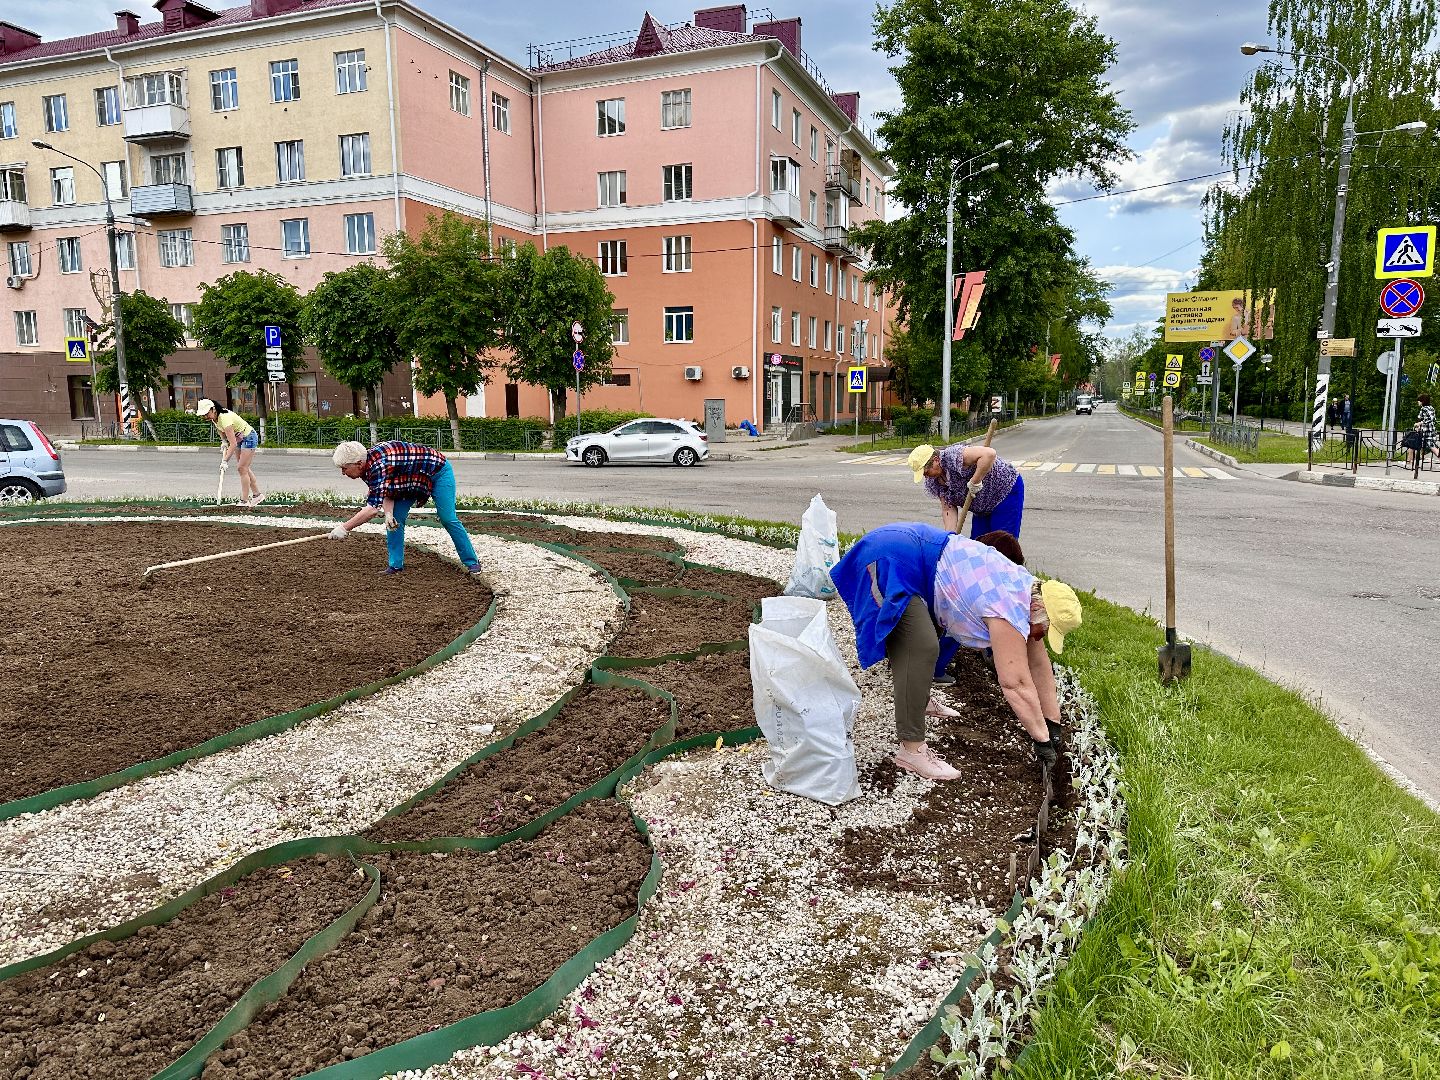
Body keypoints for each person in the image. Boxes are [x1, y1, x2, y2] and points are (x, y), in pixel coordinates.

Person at [830, 523, 1080, 782]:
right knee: (921, 645)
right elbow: (1014, 683)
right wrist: (1041, 738)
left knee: (925, 634)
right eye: (1045, 630)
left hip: (917, 555)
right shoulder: (1007, 608)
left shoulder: (1026, 592)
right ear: (1039, 609)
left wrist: (1053, 723)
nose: (1040, 637)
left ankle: (918, 700)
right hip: (892, 557)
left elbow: (1038, 664)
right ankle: (911, 751)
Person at [329, 440, 483, 578]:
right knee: (394, 519)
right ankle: (395, 565)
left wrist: (344, 528)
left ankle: (471, 562)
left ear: (358, 463)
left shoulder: (380, 465)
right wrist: (388, 514)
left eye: (344, 468)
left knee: (447, 518)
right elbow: (385, 491)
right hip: (408, 481)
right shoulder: (366, 466)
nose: (343, 473)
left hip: (437, 473)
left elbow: (371, 510)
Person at [908, 441, 1025, 539]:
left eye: (926, 472)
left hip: (1004, 491)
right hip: (982, 504)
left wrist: (975, 481)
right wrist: (950, 536)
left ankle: (1006, 567)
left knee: (1001, 543)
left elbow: (989, 454)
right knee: (979, 544)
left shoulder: (953, 456)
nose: (926, 476)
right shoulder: (934, 481)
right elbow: (948, 508)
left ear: (936, 460)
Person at [195, 398, 262, 506]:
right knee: (244, 468)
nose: (204, 417)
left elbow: (233, 444)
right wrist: (223, 441)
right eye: (203, 415)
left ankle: (244, 501)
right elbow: (220, 429)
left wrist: (225, 461)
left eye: (206, 414)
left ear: (213, 409)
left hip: (248, 437)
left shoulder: (224, 418)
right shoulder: (215, 418)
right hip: (239, 438)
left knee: (242, 468)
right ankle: (257, 495)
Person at [1404, 393, 1437, 470]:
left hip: (1425, 431)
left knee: (1413, 444)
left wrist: (1419, 423)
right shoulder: (1431, 408)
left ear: (1423, 401)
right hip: (1431, 430)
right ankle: (1410, 462)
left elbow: (1427, 419)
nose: (1418, 402)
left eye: (1419, 400)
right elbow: (1433, 419)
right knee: (1429, 447)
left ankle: (1410, 463)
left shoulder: (1424, 409)